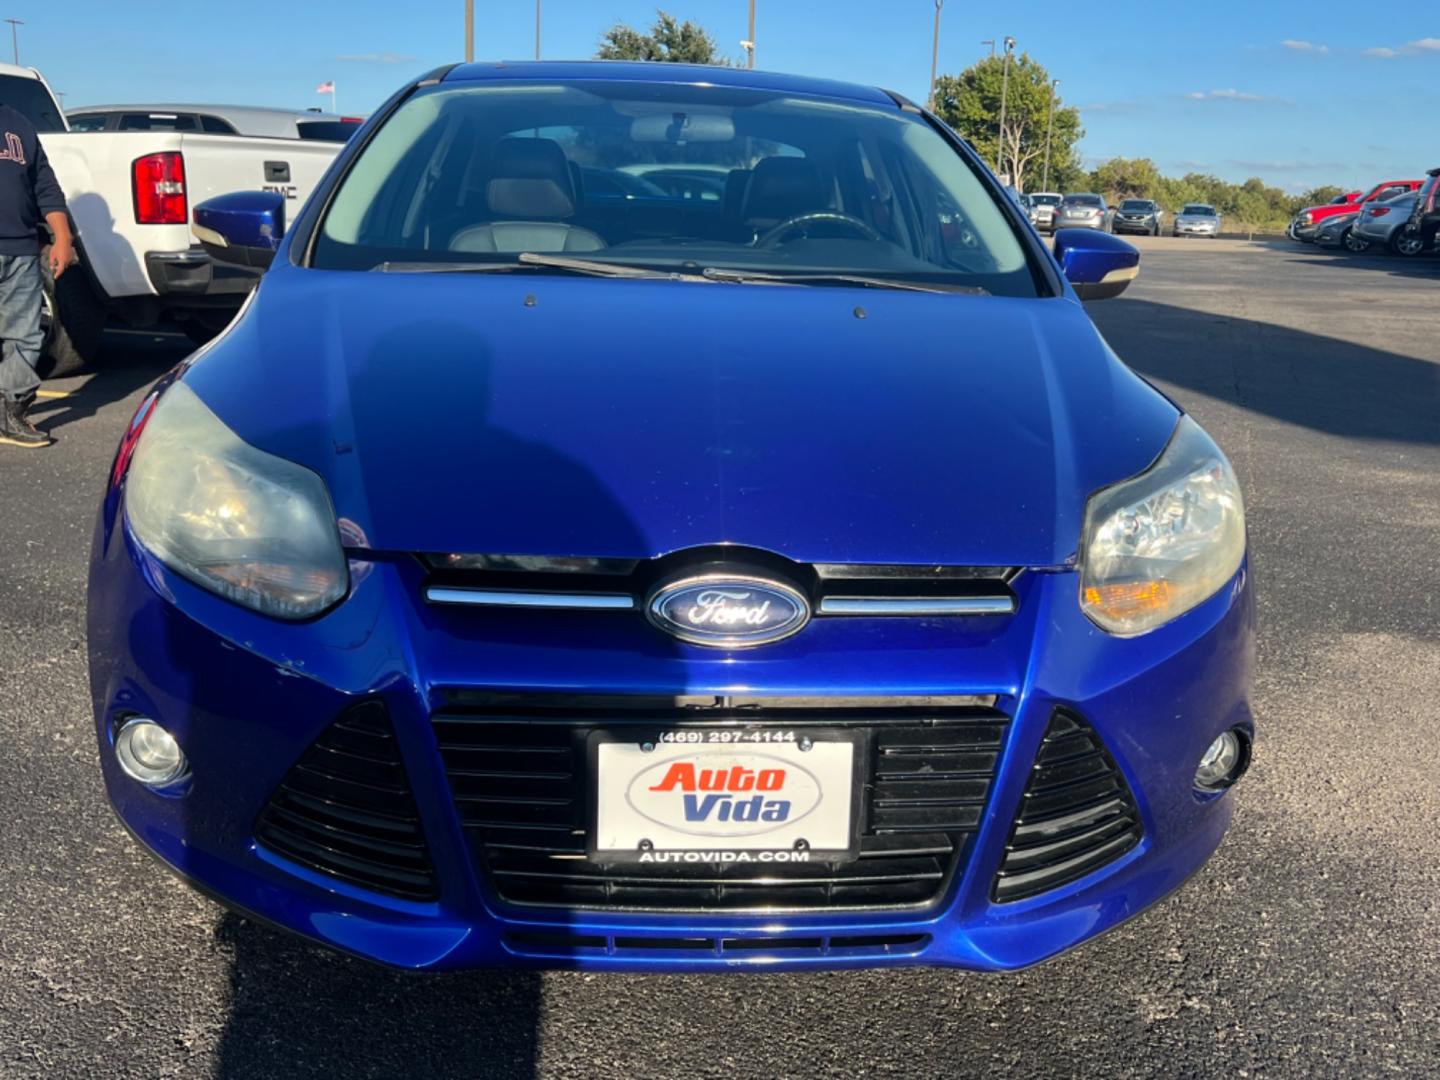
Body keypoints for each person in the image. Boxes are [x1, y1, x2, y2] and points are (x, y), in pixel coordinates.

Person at [0, 100, 74, 449]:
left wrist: (63, 237)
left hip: (21, 248)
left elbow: (45, 184)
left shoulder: (19, 122)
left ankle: (9, 414)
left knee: (26, 337)